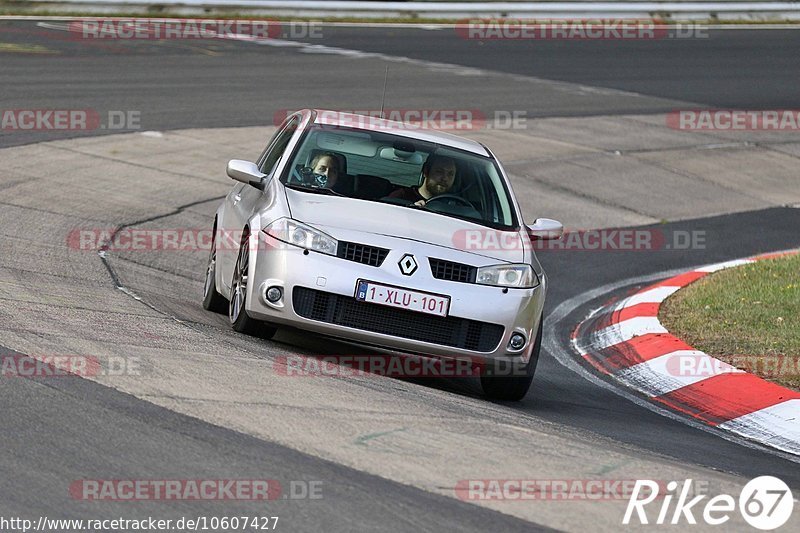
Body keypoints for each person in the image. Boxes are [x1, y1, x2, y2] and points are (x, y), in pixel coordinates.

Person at [388, 154, 456, 206]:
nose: (445, 178)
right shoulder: (401, 197)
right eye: (439, 171)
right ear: (425, 171)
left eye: (450, 174)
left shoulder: (455, 207)